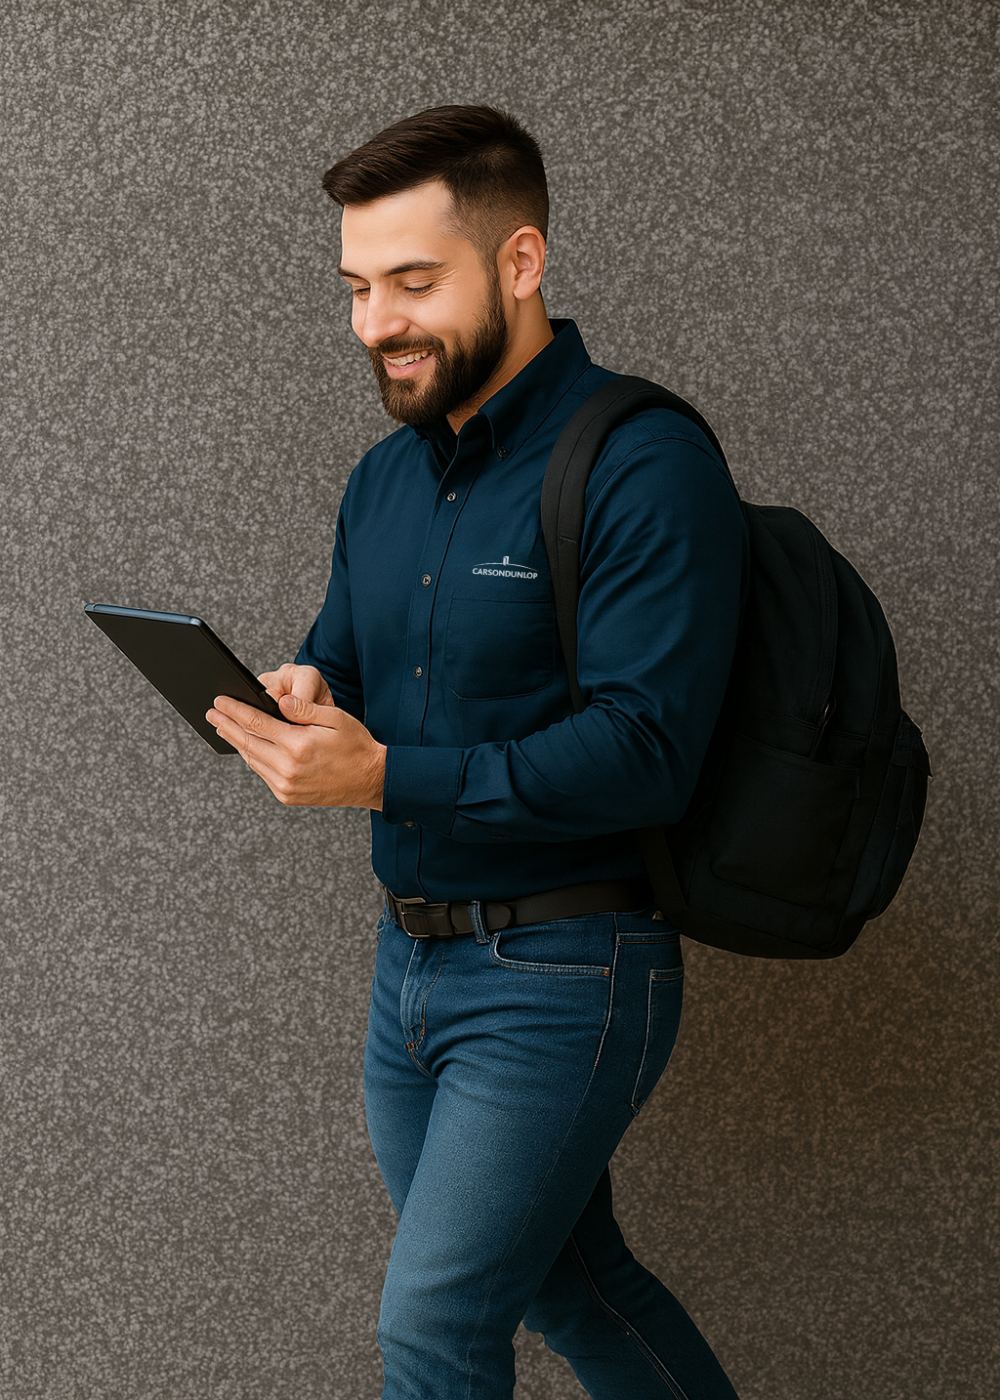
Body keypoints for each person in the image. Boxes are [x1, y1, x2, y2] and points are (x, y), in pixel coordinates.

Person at [207, 104, 747, 1400]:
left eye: (411, 282)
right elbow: (338, 654)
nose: (374, 323)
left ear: (519, 264)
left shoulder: (644, 460)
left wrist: (386, 775)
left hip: (567, 966)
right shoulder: (383, 481)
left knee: (433, 1330)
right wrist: (300, 687)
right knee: (572, 1283)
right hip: (410, 970)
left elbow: (645, 751)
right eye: (355, 287)